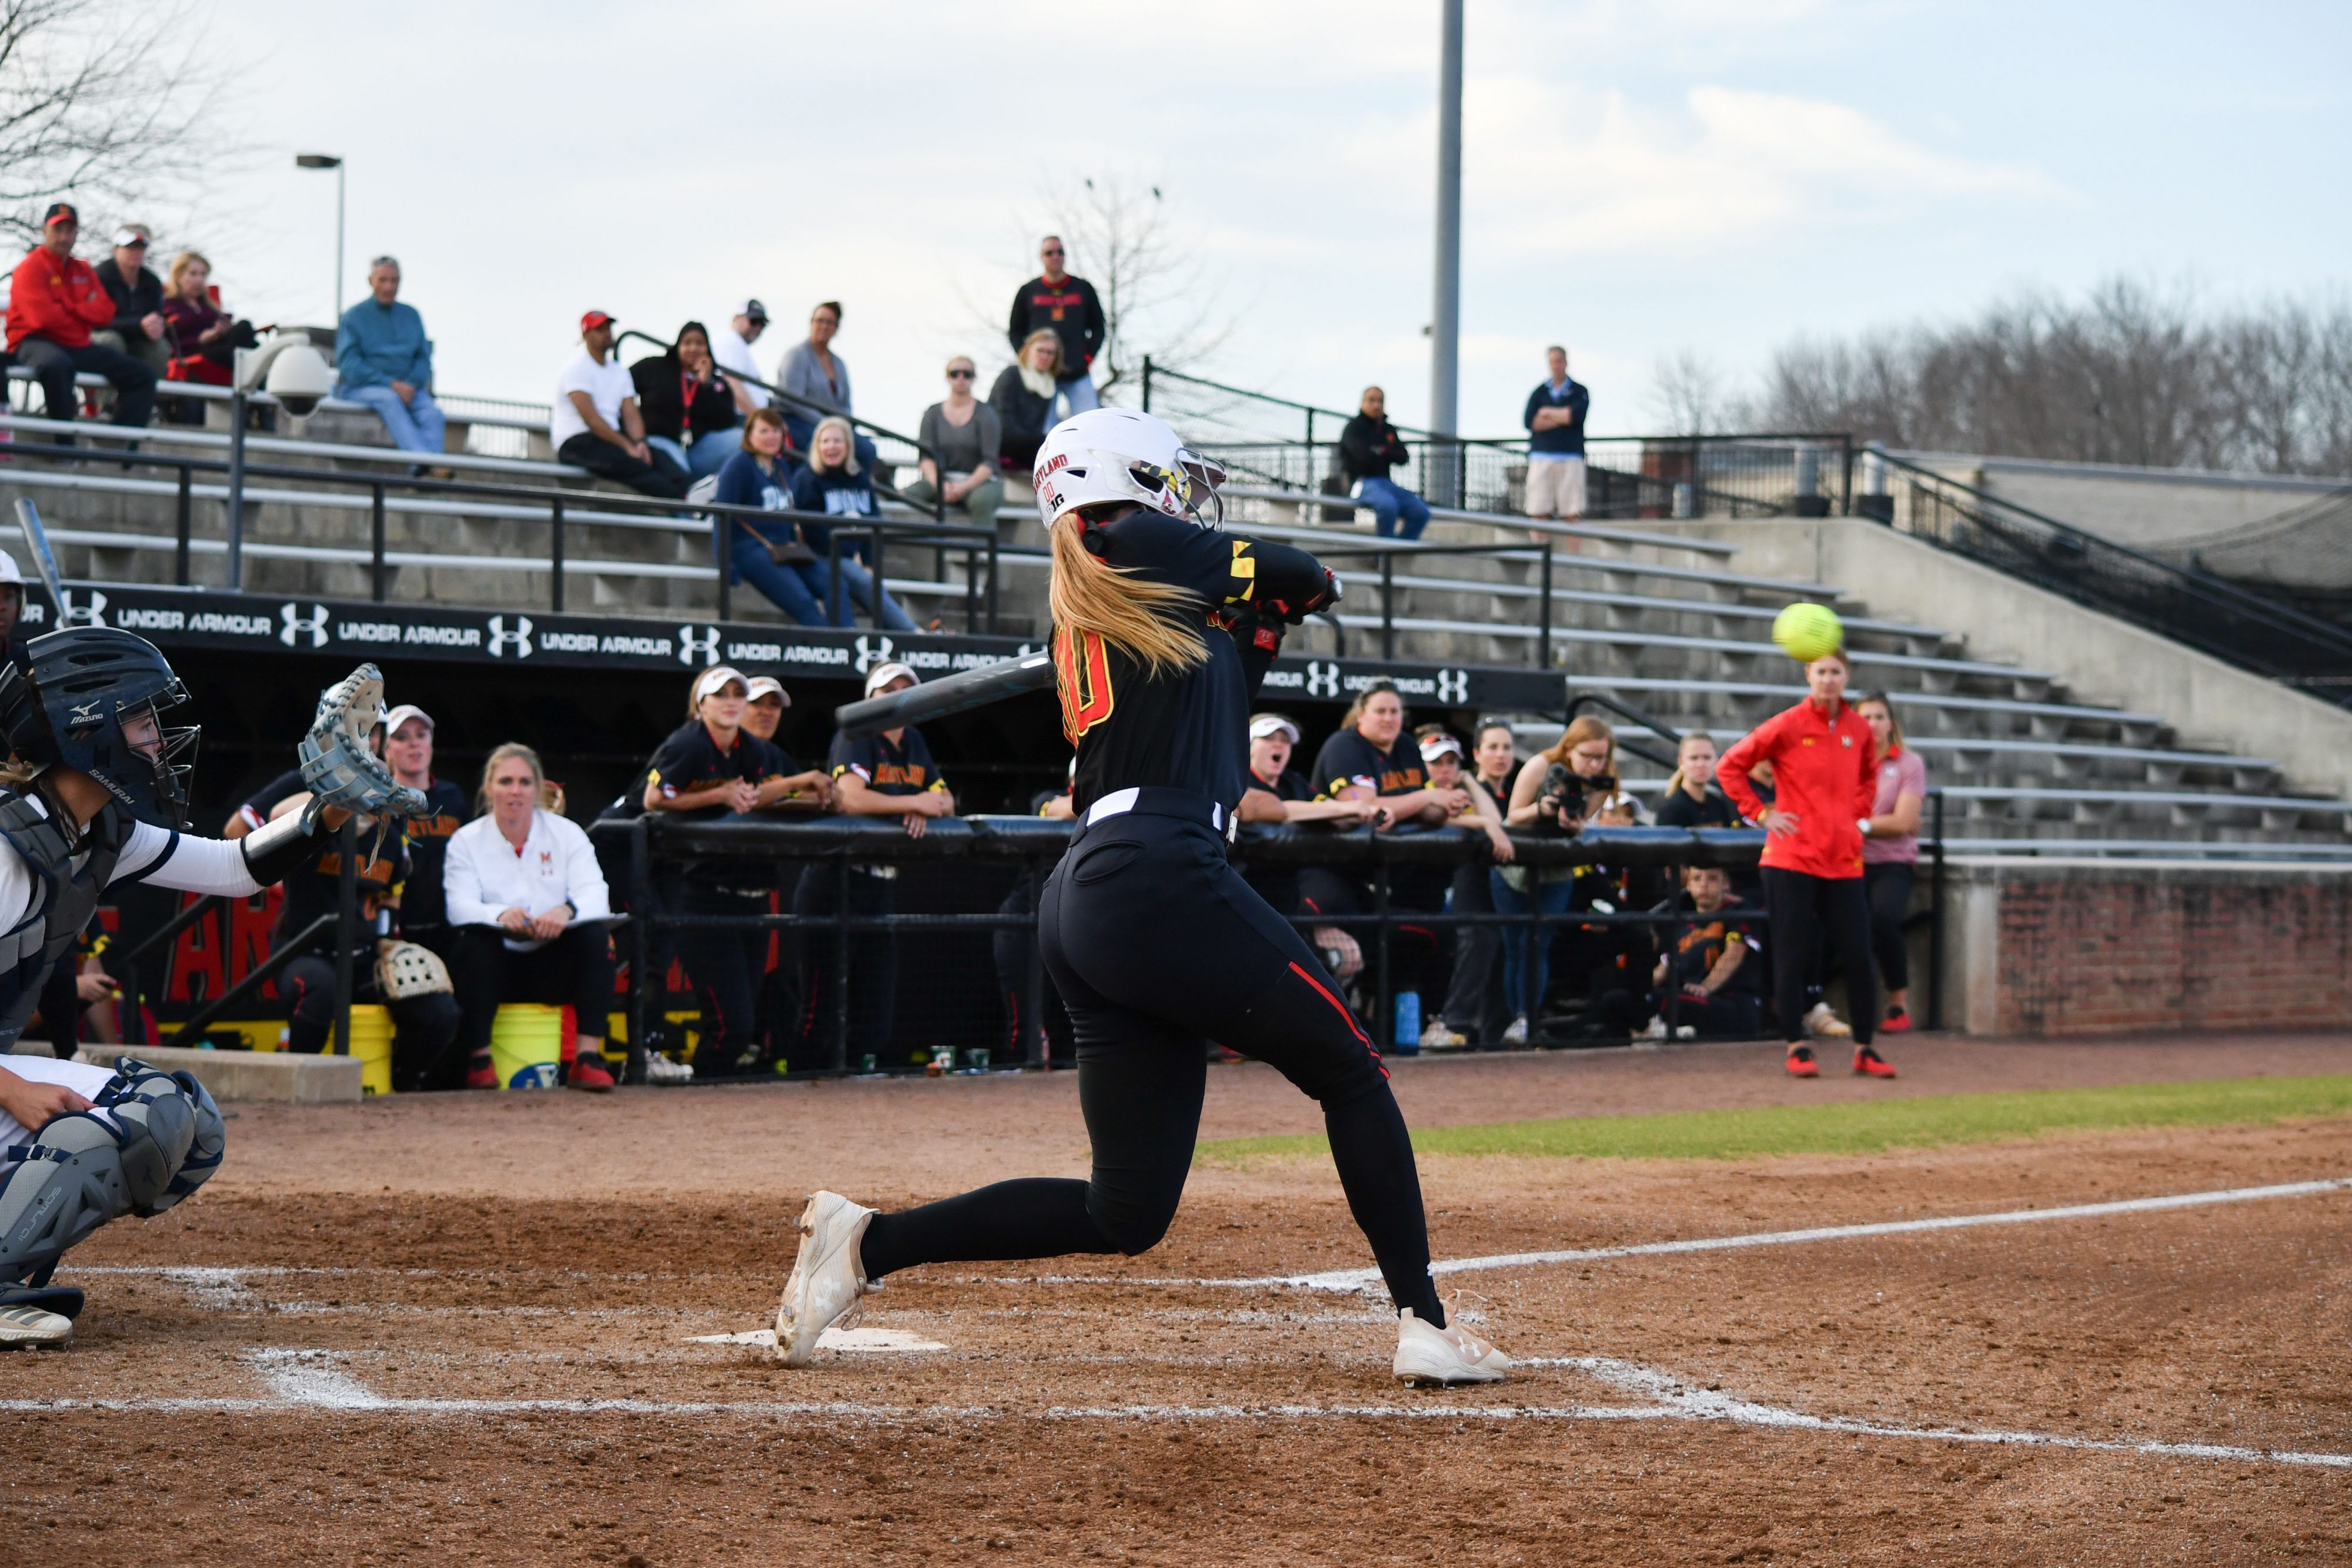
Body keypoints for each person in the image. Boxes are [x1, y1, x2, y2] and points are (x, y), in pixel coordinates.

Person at [773, 407, 1508, 1388]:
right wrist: (1307, 584)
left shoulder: (1137, 595)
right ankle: (1425, 1320)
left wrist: (1268, 618)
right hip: (1158, 870)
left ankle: (865, 1246)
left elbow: (1234, 671)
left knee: (1127, 1212)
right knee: (1351, 1069)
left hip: (1106, 888)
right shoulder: (1116, 535)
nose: (1188, 497)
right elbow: (1286, 565)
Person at [0, 636, 398, 1348]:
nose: (159, 737)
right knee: (126, 1120)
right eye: (141, 720)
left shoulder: (95, 831)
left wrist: (328, 810)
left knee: (186, 1123)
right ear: (83, 725)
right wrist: (10, 1088)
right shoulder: (6, 843)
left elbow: (237, 867)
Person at [1717, 645, 1895, 1079]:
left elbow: (1868, 777)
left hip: (1844, 859)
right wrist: (1761, 813)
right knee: (1792, 953)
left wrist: (1857, 817)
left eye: (1836, 671)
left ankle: (1865, 1047)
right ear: (1808, 675)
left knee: (1857, 952)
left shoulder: (1858, 727)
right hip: (1792, 858)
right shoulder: (1788, 723)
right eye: (1821, 671)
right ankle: (1796, 1044)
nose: (1829, 679)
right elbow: (1730, 766)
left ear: (1846, 676)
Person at [233, 766, 462, 1091]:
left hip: (363, 956)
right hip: (305, 950)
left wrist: (386, 943)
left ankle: (403, 1085)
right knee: (321, 990)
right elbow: (277, 812)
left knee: (439, 1010)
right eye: (359, 786)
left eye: (372, 788)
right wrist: (338, 799)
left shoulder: (392, 840)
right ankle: (299, 1088)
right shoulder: (318, 826)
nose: (366, 796)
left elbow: (391, 899)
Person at [640, 667, 810, 1078]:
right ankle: (644, 1058)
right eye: (724, 695)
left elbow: (760, 792)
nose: (735, 703)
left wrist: (806, 782)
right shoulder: (688, 743)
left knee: (737, 1025)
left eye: (741, 695)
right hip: (651, 869)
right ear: (701, 705)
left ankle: (698, 1092)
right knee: (651, 965)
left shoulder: (750, 750)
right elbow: (652, 799)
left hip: (739, 898)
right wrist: (719, 794)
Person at [794, 661, 954, 1064]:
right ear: (870, 699)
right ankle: (803, 1086)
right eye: (889, 689)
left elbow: (946, 800)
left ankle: (857, 1103)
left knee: (875, 1010)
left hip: (880, 883)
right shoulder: (857, 732)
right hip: (836, 880)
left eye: (907, 688)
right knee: (823, 1004)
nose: (900, 695)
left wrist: (923, 805)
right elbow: (851, 797)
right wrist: (912, 802)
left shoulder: (914, 740)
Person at [445, 743, 621, 1092]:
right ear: (488, 788)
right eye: (506, 781)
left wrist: (564, 911)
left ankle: (586, 1060)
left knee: (597, 939)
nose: (515, 791)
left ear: (538, 789)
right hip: (496, 966)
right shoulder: (466, 840)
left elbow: (596, 894)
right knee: (474, 943)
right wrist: (501, 914)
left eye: (525, 782)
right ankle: (480, 1061)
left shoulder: (568, 833)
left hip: (552, 960)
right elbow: (459, 907)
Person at [1493, 716, 1641, 1047]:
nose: (1595, 764)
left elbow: (1581, 820)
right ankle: (1515, 1018)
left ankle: (1528, 1019)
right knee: (1516, 945)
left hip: (1557, 869)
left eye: (1601, 757)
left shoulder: (1604, 779)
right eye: (1587, 756)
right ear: (1570, 749)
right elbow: (1513, 815)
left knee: (1539, 944)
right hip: (1515, 866)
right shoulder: (1540, 765)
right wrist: (1543, 809)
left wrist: (1573, 822)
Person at [6, 203, 156, 437]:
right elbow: (41, 320)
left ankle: (118, 444)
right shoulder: (31, 267)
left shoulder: (82, 269)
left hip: (76, 345)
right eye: (58, 230)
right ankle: (64, 445)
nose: (64, 237)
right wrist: (82, 310)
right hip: (33, 342)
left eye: (70, 231)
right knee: (57, 365)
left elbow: (106, 312)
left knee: (143, 374)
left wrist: (66, 307)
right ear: (44, 230)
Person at [1414, 726, 1515, 1051]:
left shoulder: (1465, 791)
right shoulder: (1420, 790)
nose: (1444, 770)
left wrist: (1470, 780)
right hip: (1414, 891)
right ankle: (1449, 1022)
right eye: (1437, 763)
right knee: (1479, 935)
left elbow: (1496, 820)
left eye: (1450, 763)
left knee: (1495, 939)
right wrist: (1483, 823)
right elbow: (1432, 816)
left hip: (1449, 893)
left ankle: (1490, 1031)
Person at [1599, 865, 1765, 1039]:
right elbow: (1662, 971)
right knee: (1615, 1001)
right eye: (1697, 879)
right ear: (1689, 886)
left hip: (1730, 1003)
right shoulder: (1681, 921)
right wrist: (1637, 992)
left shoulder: (1739, 911)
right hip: (1686, 998)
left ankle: (1660, 1033)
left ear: (1726, 884)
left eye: (1712, 879)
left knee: (1668, 1002)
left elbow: (1734, 955)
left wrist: (1706, 987)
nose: (1704, 885)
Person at [789, 415, 917, 631]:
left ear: (848, 446)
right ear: (816, 446)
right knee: (865, 583)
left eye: (837, 441)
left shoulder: (860, 478)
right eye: (825, 441)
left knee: (866, 578)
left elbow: (875, 523)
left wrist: (869, 562)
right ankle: (913, 633)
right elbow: (813, 530)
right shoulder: (807, 478)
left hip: (853, 558)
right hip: (822, 554)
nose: (831, 447)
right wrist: (850, 553)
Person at [714, 407, 837, 626]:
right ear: (749, 435)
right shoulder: (739, 465)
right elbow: (722, 517)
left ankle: (850, 644)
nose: (771, 437)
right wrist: (725, 564)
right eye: (764, 431)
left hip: (786, 548)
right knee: (805, 603)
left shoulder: (782, 466)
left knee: (833, 585)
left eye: (776, 431)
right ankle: (833, 653)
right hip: (751, 549)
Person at [552, 310, 688, 499]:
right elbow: (592, 419)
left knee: (665, 463)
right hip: (577, 442)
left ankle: (691, 501)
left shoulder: (620, 373)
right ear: (585, 335)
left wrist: (640, 444)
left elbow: (630, 413)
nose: (607, 333)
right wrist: (627, 446)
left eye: (608, 328)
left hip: (609, 440)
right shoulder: (576, 369)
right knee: (638, 469)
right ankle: (687, 509)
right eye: (599, 329)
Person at [1857, 691, 1928, 1035]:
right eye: (1866, 717)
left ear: (1891, 722)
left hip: (1892, 862)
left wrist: (1860, 825)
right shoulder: (1846, 761)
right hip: (1849, 861)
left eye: (1879, 717)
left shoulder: (1908, 764)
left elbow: (1904, 823)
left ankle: (1898, 1004)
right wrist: (1882, 822)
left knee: (1884, 917)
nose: (1872, 724)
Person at [378, 704, 470, 960]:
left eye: (421, 735)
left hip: (450, 928)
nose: (414, 744)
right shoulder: (378, 803)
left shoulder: (452, 797)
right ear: (387, 750)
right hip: (398, 929)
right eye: (402, 737)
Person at [334, 257, 446, 459]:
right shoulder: (354, 316)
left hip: (410, 389)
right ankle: (424, 462)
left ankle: (429, 472)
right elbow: (350, 366)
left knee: (433, 414)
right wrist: (391, 385)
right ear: (371, 281)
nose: (389, 287)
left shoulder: (411, 315)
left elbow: (423, 359)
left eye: (394, 281)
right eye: (383, 280)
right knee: (390, 400)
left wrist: (411, 384)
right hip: (363, 389)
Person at [1006, 235, 1105, 414]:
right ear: (1042, 257)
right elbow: (1015, 331)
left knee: (1089, 421)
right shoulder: (1028, 291)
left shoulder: (1083, 288)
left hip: (1078, 374)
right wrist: (1028, 360)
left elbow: (1099, 327)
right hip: (1042, 375)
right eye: (1049, 253)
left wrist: (1088, 357)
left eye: (1060, 252)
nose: (1055, 257)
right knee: (1042, 430)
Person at [631, 321, 741, 483]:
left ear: (708, 348)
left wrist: (705, 385)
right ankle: (691, 500)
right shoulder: (655, 367)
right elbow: (621, 386)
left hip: (697, 448)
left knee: (743, 439)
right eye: (687, 343)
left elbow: (727, 421)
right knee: (680, 469)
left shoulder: (717, 383)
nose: (693, 349)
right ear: (678, 346)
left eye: (700, 343)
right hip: (662, 441)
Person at [905, 356, 1004, 529]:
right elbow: (925, 457)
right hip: (940, 479)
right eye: (955, 373)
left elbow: (990, 461)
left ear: (974, 378)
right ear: (947, 377)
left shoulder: (987, 414)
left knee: (981, 501)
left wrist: (962, 488)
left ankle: (983, 552)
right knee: (907, 495)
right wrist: (940, 485)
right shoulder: (932, 414)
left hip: (981, 482)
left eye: (967, 374)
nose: (961, 379)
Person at [156, 251, 250, 419]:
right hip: (190, 354)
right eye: (193, 274)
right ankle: (251, 366)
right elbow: (166, 338)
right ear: (178, 276)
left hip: (219, 348)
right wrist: (200, 339)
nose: (199, 280)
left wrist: (221, 330)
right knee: (238, 353)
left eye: (203, 275)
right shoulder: (169, 304)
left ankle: (253, 366)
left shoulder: (209, 306)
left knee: (243, 328)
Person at [1339, 386, 1430, 540]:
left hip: (1386, 483)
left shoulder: (1387, 429)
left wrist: (1382, 451)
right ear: (1363, 403)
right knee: (1388, 506)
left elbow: (1403, 457)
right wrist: (1384, 452)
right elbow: (1363, 456)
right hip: (1361, 482)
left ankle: (1397, 550)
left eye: (1380, 401)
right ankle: (1384, 554)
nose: (1377, 405)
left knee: (1421, 511)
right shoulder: (1354, 427)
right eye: (1372, 400)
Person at [1522, 345, 1589, 539]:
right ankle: (1539, 558)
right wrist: (1561, 417)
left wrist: (1547, 413)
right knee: (1539, 510)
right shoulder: (1539, 393)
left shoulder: (1579, 391)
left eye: (1559, 361)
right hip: (1542, 457)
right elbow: (1530, 422)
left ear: (1566, 362)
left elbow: (1574, 417)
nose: (1556, 366)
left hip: (1570, 457)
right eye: (1552, 362)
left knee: (1572, 512)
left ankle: (1574, 563)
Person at [91, 226, 171, 384]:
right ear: (116, 250)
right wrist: (138, 324)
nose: (136, 252)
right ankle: (107, 403)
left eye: (140, 248)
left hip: (136, 337)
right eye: (130, 247)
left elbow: (156, 315)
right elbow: (96, 321)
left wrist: (156, 326)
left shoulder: (152, 282)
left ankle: (151, 402)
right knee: (111, 341)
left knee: (160, 347)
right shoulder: (99, 276)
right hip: (98, 334)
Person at [990, 329, 1066, 473]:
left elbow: (1038, 425)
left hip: (1028, 442)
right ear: (1029, 351)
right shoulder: (1011, 375)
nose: (1045, 356)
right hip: (1001, 439)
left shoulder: (1048, 385)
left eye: (1050, 353)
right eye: (1040, 351)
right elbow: (1004, 421)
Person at [708, 299, 770, 423]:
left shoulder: (736, 343)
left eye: (762, 324)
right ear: (737, 318)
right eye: (754, 321)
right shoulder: (730, 339)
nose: (758, 328)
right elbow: (732, 384)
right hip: (739, 419)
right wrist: (759, 420)